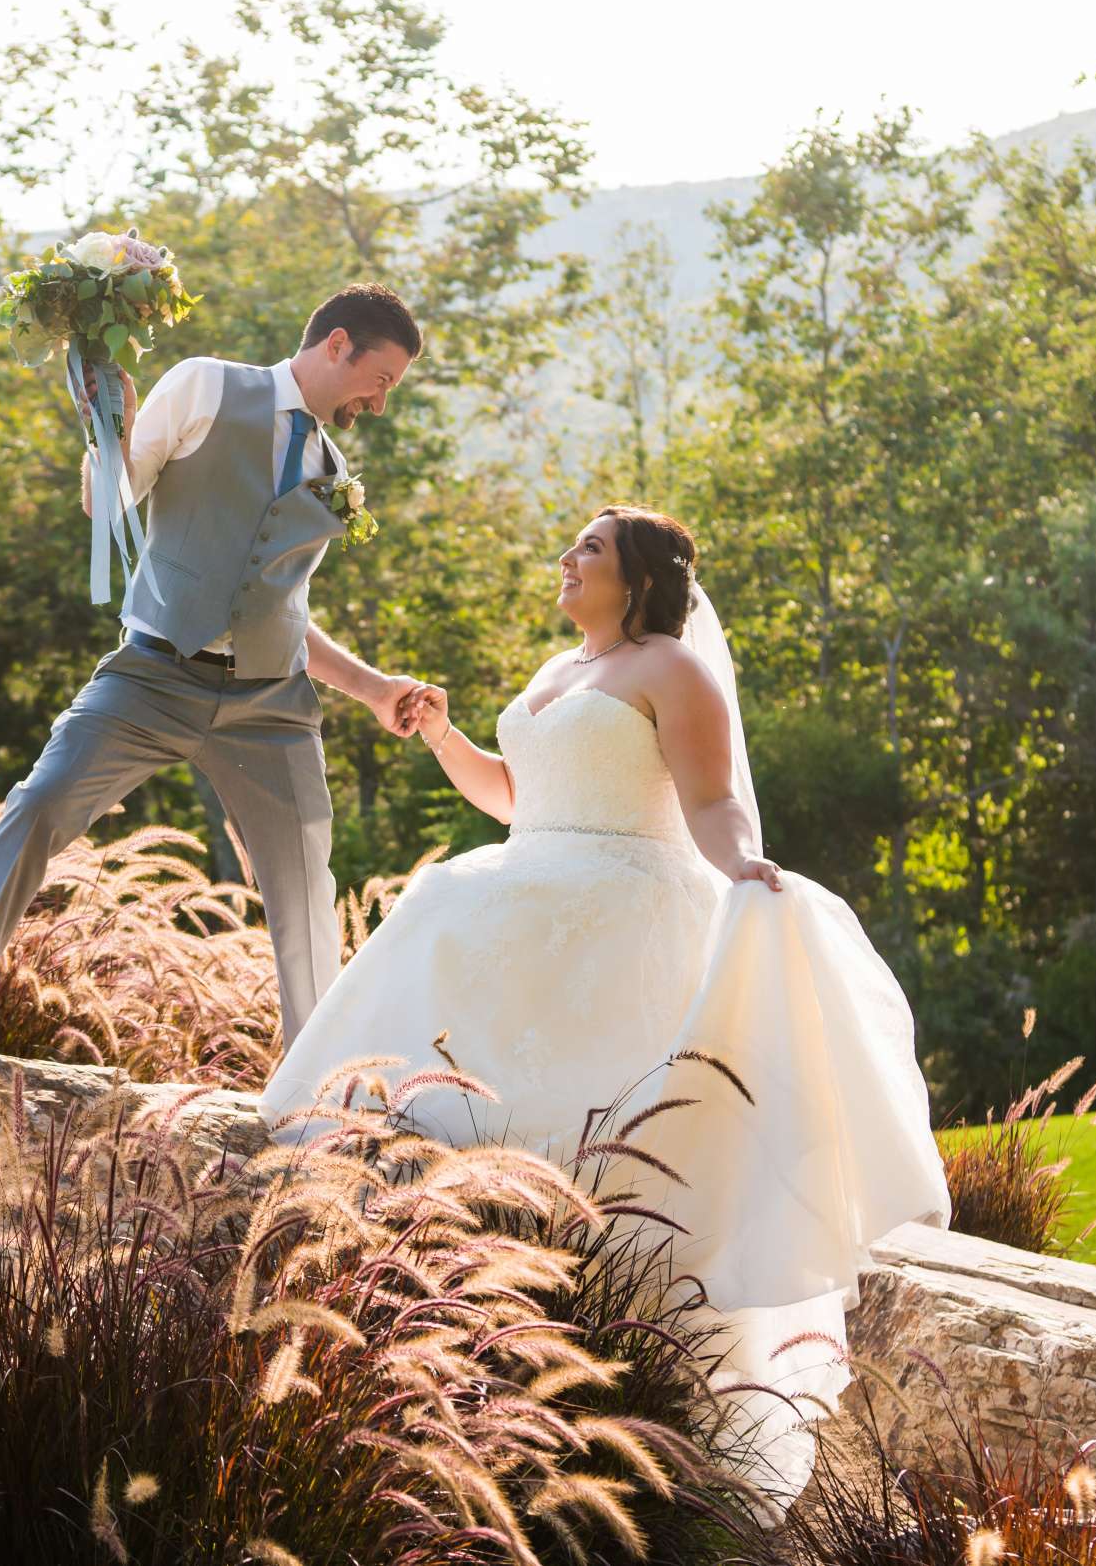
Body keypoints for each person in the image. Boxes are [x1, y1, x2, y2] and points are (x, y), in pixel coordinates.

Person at [257, 504, 952, 1526]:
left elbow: (714, 800)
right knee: (441, 905)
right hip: (527, 884)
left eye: (589, 549)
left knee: (605, 1132)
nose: (567, 560)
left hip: (622, 904)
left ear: (636, 579)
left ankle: (636, 1366)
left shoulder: (670, 668)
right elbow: (510, 798)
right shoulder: (554, 673)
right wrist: (442, 730)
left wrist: (744, 866)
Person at [0, 283, 431, 1047]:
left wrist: (375, 690)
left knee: (306, 885)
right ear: (338, 345)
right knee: (38, 805)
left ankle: (317, 1074)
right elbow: (112, 499)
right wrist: (110, 433)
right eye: (382, 381)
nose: (380, 402)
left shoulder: (332, 469)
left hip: (270, 707)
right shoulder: (208, 383)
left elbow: (281, 610)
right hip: (153, 675)